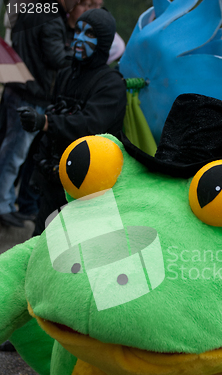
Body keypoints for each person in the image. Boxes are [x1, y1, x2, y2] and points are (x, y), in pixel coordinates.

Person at [18, 8, 127, 236]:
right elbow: (55, 113)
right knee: (37, 245)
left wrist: (45, 122)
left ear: (103, 41)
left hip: (85, 192)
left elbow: (90, 125)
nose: (78, 38)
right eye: (77, 30)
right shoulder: (67, 73)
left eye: (89, 34)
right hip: (53, 183)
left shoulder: (111, 84)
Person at [0, 0, 75, 228]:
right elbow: (56, 58)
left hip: (19, 88)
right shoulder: (51, 17)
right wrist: (76, 52)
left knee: (14, 152)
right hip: (32, 95)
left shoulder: (32, 9)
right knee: (14, 154)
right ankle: (3, 206)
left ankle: (8, 203)